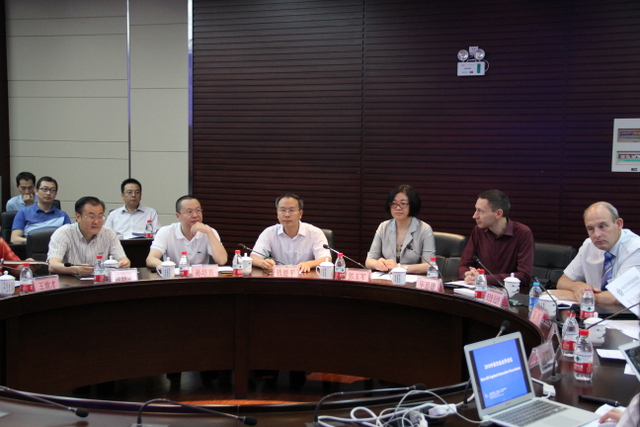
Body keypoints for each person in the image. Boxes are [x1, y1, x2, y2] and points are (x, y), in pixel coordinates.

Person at [557, 202, 640, 304]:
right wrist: (577, 286)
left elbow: (618, 297)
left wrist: (573, 296)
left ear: (619, 224)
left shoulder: (636, 249)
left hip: (624, 313)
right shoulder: (589, 245)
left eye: (602, 226)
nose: (596, 234)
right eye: (591, 229)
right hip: (592, 311)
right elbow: (562, 281)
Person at [458, 189, 534, 287]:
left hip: (509, 293)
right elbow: (464, 265)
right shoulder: (478, 231)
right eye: (476, 210)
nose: (474, 216)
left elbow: (524, 276)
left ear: (498, 214)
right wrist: (467, 274)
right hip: (478, 289)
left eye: (481, 211)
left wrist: (483, 278)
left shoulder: (522, 233)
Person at [48, 197, 130, 276]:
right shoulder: (63, 233)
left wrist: (124, 263)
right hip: (70, 282)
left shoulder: (108, 233)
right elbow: (52, 265)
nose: (96, 221)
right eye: (91, 217)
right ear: (78, 217)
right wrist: (76, 270)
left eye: (100, 217)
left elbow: (123, 259)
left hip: (100, 282)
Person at [250, 194, 331, 273]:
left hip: (306, 278)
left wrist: (309, 264)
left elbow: (326, 258)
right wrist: (262, 263)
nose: (287, 215)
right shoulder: (269, 232)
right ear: (277, 213)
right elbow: (254, 257)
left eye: (291, 210)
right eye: (282, 210)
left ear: (300, 213)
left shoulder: (315, 233)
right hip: (279, 278)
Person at [365, 185, 435, 274]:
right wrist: (377, 264)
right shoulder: (383, 227)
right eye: (394, 203)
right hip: (388, 278)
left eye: (403, 203)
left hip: (412, 279)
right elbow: (369, 261)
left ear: (412, 204)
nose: (398, 208)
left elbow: (429, 265)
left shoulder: (424, 229)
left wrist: (400, 267)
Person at [146, 195, 227, 268]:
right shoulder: (166, 232)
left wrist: (209, 232)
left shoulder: (209, 231)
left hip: (200, 277)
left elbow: (222, 260)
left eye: (198, 210)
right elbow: (151, 259)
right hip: (175, 277)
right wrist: (167, 267)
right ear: (178, 216)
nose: (195, 215)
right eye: (189, 211)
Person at [11, 176, 71, 244]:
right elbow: (15, 239)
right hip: (32, 249)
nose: (48, 193)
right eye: (44, 189)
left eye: (52, 190)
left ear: (55, 194)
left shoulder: (63, 216)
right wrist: (37, 242)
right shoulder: (23, 213)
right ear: (36, 191)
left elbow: (69, 239)